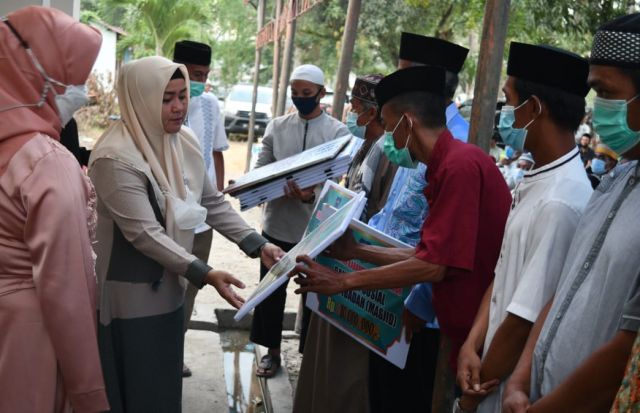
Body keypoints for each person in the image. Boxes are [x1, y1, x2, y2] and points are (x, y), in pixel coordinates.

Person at [290, 66, 512, 411]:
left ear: (407, 123)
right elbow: (426, 254)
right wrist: (357, 250)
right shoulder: (444, 165)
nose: (388, 139)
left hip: (472, 329)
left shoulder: (460, 165)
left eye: (390, 128)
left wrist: (344, 281)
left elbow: (433, 267)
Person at [89, 56, 284, 413]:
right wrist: (205, 273)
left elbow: (210, 201)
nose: (179, 107)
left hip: (171, 285)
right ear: (140, 99)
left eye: (182, 96)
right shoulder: (115, 158)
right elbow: (144, 234)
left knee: (163, 382)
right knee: (137, 382)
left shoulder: (183, 140)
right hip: (130, 293)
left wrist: (258, 245)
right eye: (166, 99)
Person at [502, 13, 640, 413]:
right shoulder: (614, 181)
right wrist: (520, 381)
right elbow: (565, 287)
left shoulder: (569, 194)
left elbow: (626, 349)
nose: (598, 108)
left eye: (606, 91)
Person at [454, 42, 593, 413]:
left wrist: (469, 398)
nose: (506, 113)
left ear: (533, 107)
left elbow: (521, 322)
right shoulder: (536, 179)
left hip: (506, 390)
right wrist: (472, 343)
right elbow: (503, 276)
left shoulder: (561, 200)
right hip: (487, 371)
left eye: (509, 99)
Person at [0, 6, 109, 412]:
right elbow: (68, 294)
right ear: (38, 74)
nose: (80, 90)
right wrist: (89, 395)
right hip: (30, 339)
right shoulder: (46, 164)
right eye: (74, 78)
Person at [366, 32, 472, 413]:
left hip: (418, 312)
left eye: (405, 77)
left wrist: (419, 303)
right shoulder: (413, 135)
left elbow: (446, 245)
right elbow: (396, 212)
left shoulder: (457, 145)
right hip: (389, 292)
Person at [249, 64, 350, 377]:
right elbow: (261, 170)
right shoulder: (277, 127)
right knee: (271, 292)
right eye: (295, 93)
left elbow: (336, 184)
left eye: (307, 94)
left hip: (315, 230)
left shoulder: (337, 132)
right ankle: (271, 352)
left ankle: (309, 356)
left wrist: (309, 196)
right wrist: (266, 187)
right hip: (277, 224)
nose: (300, 99)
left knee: (313, 294)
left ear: (321, 93)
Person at [173, 39, 230, 377]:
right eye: (196, 74)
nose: (200, 81)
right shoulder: (156, 101)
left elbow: (218, 151)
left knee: (191, 288)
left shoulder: (209, 105)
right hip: (167, 218)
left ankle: (174, 352)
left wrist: (218, 190)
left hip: (202, 220)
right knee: (164, 286)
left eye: (205, 75)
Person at [344, 73, 396, 220]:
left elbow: (382, 211)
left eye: (354, 108)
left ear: (372, 113)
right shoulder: (366, 143)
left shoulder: (389, 154)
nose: (350, 114)